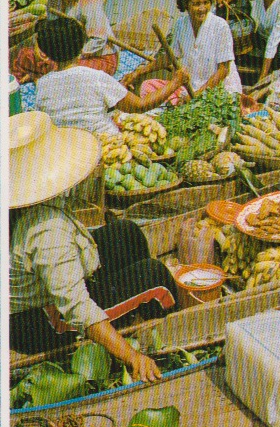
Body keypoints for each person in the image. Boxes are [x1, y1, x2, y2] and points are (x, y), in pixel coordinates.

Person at [9, 112, 178, 381]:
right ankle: (162, 340)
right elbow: (76, 308)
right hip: (40, 322)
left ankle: (132, 313)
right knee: (155, 278)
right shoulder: (46, 229)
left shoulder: (28, 208)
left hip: (46, 287)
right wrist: (131, 356)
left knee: (126, 232)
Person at [34, 17, 189, 134]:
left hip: (69, 147)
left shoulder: (42, 84)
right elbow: (140, 106)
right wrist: (176, 82)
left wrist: (117, 90)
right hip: (104, 146)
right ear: (81, 47)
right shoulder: (96, 77)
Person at [123, 0, 242, 101]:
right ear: (186, 4)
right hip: (191, 89)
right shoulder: (181, 24)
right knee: (147, 86)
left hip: (217, 91)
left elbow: (223, 70)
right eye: (196, 4)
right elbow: (170, 57)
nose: (202, 8)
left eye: (206, 2)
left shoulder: (220, 26)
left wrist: (197, 96)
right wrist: (138, 72)